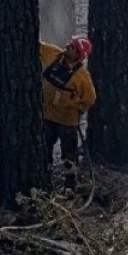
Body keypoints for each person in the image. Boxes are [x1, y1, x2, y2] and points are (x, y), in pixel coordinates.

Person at [40, 36, 97, 192]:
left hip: (67, 123)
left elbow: (90, 99)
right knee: (44, 152)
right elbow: (40, 47)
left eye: (72, 47)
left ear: (78, 54)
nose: (67, 46)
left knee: (69, 158)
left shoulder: (82, 76)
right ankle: (45, 185)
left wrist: (75, 106)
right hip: (47, 118)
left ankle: (70, 189)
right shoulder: (55, 56)